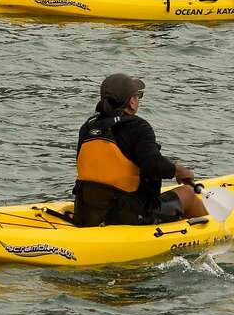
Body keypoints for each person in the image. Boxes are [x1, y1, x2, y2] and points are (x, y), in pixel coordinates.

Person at [73, 74, 207, 228]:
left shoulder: (88, 127)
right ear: (131, 101)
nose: (138, 100)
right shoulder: (138, 127)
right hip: (130, 216)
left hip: (86, 213)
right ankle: (216, 229)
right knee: (188, 194)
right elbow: (153, 165)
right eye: (138, 96)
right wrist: (179, 171)